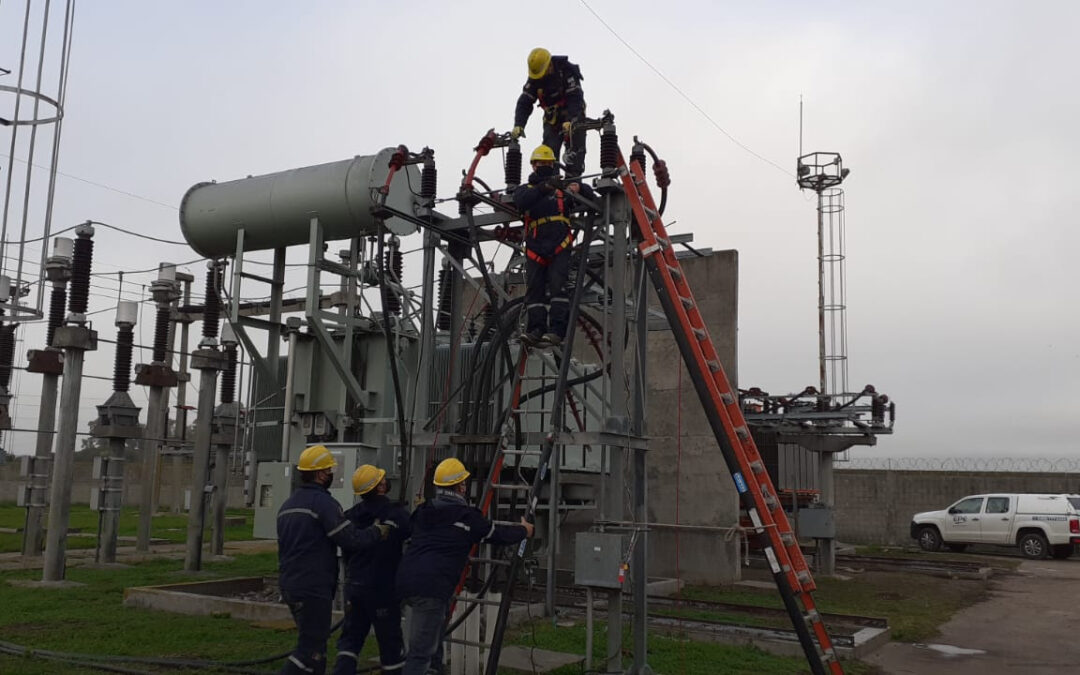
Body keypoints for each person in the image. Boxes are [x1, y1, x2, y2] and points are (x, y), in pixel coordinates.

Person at [395, 457, 534, 675]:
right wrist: (524, 530)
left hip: (406, 581)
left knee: (431, 641)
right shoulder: (467, 516)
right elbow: (497, 534)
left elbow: (409, 531)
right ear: (461, 486)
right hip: (432, 587)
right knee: (420, 653)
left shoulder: (423, 511)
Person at [277, 445, 391, 675]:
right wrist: (378, 531)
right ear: (320, 474)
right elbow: (350, 539)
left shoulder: (287, 506)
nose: (332, 475)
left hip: (291, 583)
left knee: (317, 650)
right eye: (330, 471)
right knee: (309, 650)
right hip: (313, 586)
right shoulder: (324, 504)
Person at [332, 465, 411, 675]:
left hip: (354, 587)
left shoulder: (350, 515)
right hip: (382, 589)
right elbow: (413, 532)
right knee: (390, 645)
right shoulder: (396, 514)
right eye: (382, 479)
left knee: (350, 640)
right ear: (380, 487)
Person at [513, 144, 595, 347]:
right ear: (534, 166)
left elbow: (591, 198)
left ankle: (557, 330)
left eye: (548, 163)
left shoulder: (562, 191)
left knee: (559, 289)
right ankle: (536, 330)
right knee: (535, 292)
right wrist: (545, 187)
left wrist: (579, 187)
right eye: (541, 163)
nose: (544, 166)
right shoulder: (527, 190)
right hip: (535, 247)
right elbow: (520, 201)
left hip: (559, 245)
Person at [511, 47, 587, 176]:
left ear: (549, 65)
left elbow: (575, 98)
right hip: (552, 119)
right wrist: (519, 124)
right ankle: (552, 184)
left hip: (573, 114)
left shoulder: (567, 71)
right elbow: (524, 102)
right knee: (549, 150)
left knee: (575, 152)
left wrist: (571, 120)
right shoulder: (535, 80)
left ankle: (573, 183)